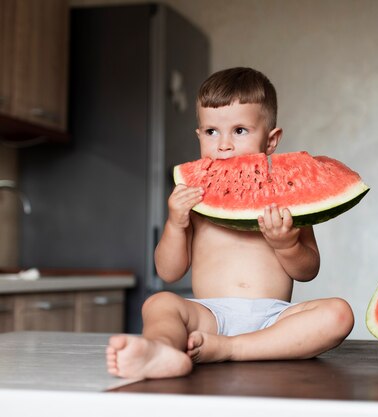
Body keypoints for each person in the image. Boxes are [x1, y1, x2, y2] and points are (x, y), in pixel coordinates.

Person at [106, 67, 354, 379]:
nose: (224, 145)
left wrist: (286, 244)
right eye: (211, 132)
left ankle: (232, 348)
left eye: (239, 131)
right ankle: (161, 350)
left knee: (339, 314)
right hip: (210, 314)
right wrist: (176, 224)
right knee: (159, 303)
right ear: (199, 135)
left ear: (271, 140)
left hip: (273, 320)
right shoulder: (195, 198)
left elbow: (307, 270)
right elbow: (168, 272)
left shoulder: (287, 197)